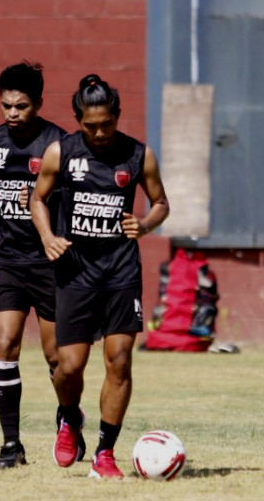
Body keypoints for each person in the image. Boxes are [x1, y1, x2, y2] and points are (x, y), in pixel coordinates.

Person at [30, 73, 170, 479]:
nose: (100, 132)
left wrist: (145, 224)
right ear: (78, 120)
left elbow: (161, 202)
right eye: (90, 125)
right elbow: (37, 199)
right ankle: (70, 419)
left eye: (106, 123)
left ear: (117, 115)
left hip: (122, 273)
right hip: (75, 272)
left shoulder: (138, 155)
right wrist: (47, 236)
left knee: (119, 360)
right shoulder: (62, 152)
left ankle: (106, 453)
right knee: (68, 366)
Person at [0, 61, 75, 469]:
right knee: (5, 344)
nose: (13, 114)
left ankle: (69, 419)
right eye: (6, 106)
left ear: (39, 104)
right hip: (9, 259)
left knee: (57, 359)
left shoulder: (59, 144)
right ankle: (11, 446)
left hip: (50, 262)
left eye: (22, 106)